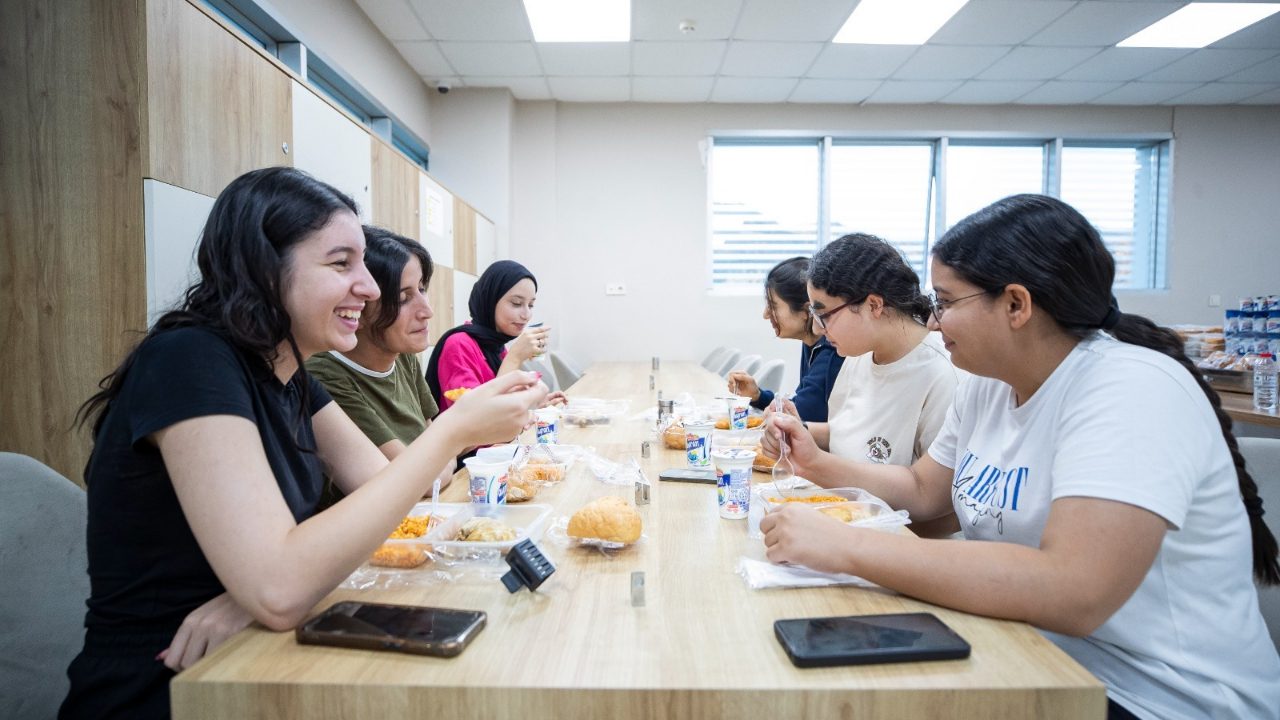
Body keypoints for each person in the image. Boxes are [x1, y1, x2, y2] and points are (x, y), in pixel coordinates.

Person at [761, 195, 1280, 720]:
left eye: (945, 302)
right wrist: (817, 464)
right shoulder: (985, 386)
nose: (934, 323)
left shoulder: (1130, 390)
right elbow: (922, 492)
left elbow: (1073, 590)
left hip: (1153, 697)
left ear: (1016, 304)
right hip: (1026, 653)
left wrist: (847, 546)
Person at [60, 167, 546, 720]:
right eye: (342, 264)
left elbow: (386, 494)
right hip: (174, 683)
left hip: (259, 653)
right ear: (264, 271)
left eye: (363, 263)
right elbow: (280, 586)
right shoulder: (189, 360)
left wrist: (259, 597)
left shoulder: (292, 376)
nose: (367, 286)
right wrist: (452, 433)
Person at [774, 234, 961, 470]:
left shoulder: (941, 375)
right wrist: (797, 428)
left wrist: (817, 465)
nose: (816, 328)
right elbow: (846, 434)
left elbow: (931, 496)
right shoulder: (859, 353)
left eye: (824, 315)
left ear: (873, 305)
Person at [305, 226, 454, 504]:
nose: (427, 311)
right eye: (403, 298)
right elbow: (419, 479)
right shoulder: (323, 374)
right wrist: (457, 434)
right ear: (359, 305)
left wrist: (445, 454)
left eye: (422, 289)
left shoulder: (402, 353)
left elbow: (437, 452)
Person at [426, 260, 566, 412]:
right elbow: (475, 419)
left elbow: (505, 412)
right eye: (517, 303)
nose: (527, 315)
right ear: (490, 300)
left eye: (530, 305)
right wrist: (515, 357)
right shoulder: (459, 345)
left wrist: (538, 411)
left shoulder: (497, 348)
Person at [726, 257, 844, 423]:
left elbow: (803, 415)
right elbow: (799, 406)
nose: (766, 314)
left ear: (806, 311)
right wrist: (758, 396)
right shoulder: (812, 343)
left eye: (773, 306)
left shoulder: (830, 350)